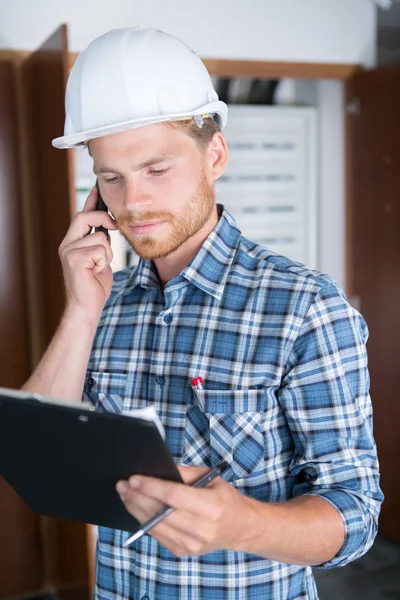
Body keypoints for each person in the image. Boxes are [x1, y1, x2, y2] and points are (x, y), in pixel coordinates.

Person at [25, 27, 383, 600]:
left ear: (214, 155)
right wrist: (80, 313)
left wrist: (241, 523)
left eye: (156, 169)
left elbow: (357, 514)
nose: (132, 201)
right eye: (111, 178)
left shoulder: (306, 309)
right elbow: (39, 458)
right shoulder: (104, 303)